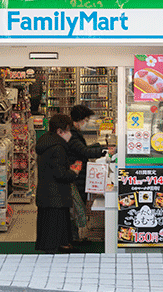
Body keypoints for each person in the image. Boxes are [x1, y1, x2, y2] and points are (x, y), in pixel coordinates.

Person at [66, 105, 116, 243]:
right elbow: (84, 152)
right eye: (86, 120)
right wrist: (104, 151)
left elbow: (84, 149)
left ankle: (75, 236)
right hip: (76, 175)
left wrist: (100, 147)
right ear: (80, 120)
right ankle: (73, 238)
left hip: (77, 172)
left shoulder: (73, 133)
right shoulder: (72, 135)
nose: (87, 123)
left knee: (76, 206)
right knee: (76, 208)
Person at [34, 114, 81, 253]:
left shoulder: (45, 143)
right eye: (68, 130)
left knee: (49, 225)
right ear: (60, 131)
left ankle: (62, 245)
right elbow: (60, 174)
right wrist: (74, 172)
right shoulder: (58, 148)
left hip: (45, 193)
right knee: (57, 223)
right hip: (56, 195)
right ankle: (61, 248)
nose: (70, 134)